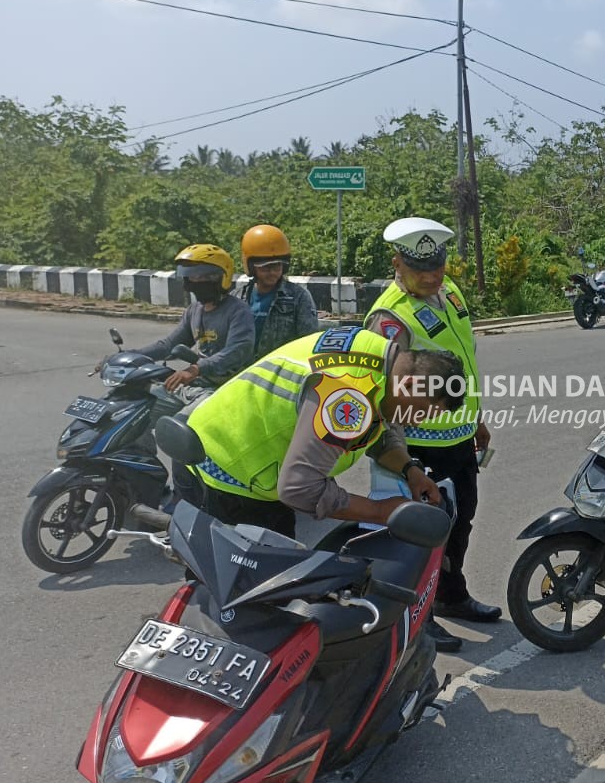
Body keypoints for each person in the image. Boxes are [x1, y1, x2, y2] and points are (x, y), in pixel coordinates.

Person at [181, 325, 460, 545]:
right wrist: (382, 512)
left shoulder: (379, 355)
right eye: (423, 412)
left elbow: (378, 428)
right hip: (228, 463)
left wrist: (410, 469)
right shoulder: (348, 397)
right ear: (409, 384)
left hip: (223, 430)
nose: (418, 422)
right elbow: (301, 490)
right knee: (250, 591)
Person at [364, 217, 497, 655]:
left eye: (437, 265)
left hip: (457, 439)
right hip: (417, 448)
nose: (431, 276)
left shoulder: (450, 292)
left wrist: (474, 419)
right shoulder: (389, 318)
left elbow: (460, 360)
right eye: (421, 268)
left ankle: (450, 594)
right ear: (397, 263)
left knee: (461, 522)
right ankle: (418, 618)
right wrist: (400, 458)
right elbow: (384, 394)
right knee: (421, 535)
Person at [131, 244, 255, 407]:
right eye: (189, 277)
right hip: (198, 384)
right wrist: (132, 356)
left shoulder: (238, 311)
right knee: (140, 403)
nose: (191, 283)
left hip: (226, 387)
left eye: (197, 277)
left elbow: (236, 352)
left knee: (180, 427)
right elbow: (168, 345)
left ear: (217, 277)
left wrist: (196, 369)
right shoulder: (194, 310)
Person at [238, 224, 321, 357]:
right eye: (265, 268)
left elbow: (309, 341)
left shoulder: (298, 297)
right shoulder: (238, 298)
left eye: (277, 267)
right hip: (246, 372)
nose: (272, 272)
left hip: (282, 371)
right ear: (252, 267)